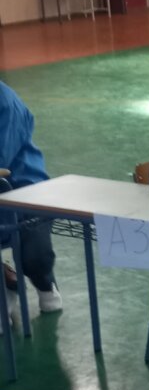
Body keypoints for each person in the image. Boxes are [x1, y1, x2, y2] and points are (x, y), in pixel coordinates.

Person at [0, 80, 62, 321]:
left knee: (35, 259)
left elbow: (2, 158)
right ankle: (7, 283)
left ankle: (45, 284)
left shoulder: (5, 102)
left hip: (25, 193)